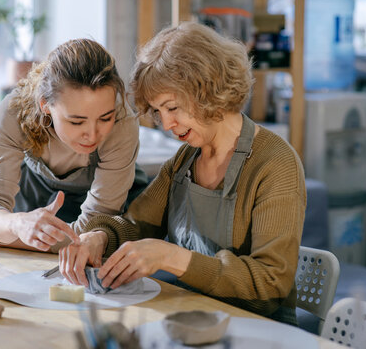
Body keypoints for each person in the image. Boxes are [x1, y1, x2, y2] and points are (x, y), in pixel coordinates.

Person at [58, 22, 306, 325]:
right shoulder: (185, 160)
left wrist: (171, 257)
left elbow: (269, 284)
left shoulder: (275, 164)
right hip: (189, 320)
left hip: (258, 331)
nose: (166, 124)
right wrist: (100, 237)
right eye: (158, 111)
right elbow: (137, 224)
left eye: (172, 107)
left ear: (208, 87)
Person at [0, 38, 148, 253]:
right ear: (45, 105)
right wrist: (17, 224)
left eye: (105, 118)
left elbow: (90, 233)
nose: (93, 134)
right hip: (37, 198)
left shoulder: (124, 123)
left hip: (112, 206)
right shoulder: (12, 113)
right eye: (76, 121)